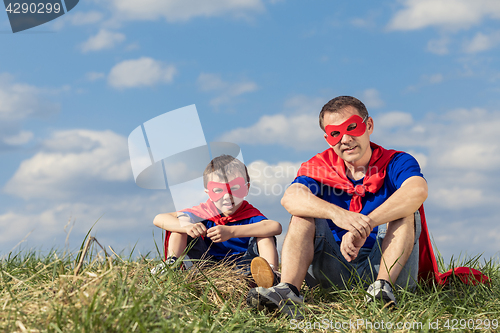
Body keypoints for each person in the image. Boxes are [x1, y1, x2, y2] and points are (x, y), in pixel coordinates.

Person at [247, 96, 428, 318]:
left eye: (352, 127)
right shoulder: (320, 166)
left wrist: (364, 225)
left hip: (387, 265)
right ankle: (288, 291)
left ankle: (382, 289)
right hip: (335, 268)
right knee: (302, 214)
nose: (346, 139)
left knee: (406, 211)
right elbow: (290, 197)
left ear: (369, 125)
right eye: (336, 133)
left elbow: (417, 191)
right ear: (328, 139)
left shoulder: (396, 162)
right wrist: (338, 215)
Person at [153, 154, 282, 288]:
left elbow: (275, 227)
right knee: (181, 222)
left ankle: (271, 274)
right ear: (208, 192)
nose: (227, 196)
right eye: (218, 190)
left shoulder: (248, 213)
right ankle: (171, 266)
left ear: (247, 188)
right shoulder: (204, 212)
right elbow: (159, 218)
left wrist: (231, 232)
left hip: (244, 267)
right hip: (205, 267)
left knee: (265, 234)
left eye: (235, 188)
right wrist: (186, 227)